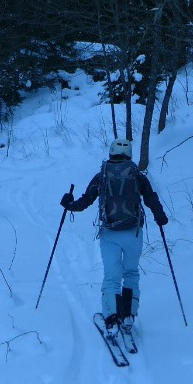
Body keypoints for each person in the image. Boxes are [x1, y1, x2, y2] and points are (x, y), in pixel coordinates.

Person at [61, 137, 168, 328]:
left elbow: (85, 202)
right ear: (129, 154)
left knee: (112, 276)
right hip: (134, 233)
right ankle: (128, 315)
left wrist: (69, 204)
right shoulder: (137, 175)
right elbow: (151, 198)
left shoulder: (101, 175)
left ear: (111, 152)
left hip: (110, 234)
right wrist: (160, 216)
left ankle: (111, 317)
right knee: (131, 272)